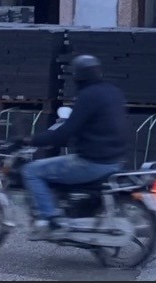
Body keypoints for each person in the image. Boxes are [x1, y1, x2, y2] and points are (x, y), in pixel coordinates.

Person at [20, 54, 129, 239]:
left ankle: (51, 220)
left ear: (77, 76)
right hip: (115, 160)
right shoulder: (113, 92)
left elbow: (66, 131)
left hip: (92, 163)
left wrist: (31, 140)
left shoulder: (88, 96)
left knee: (31, 170)